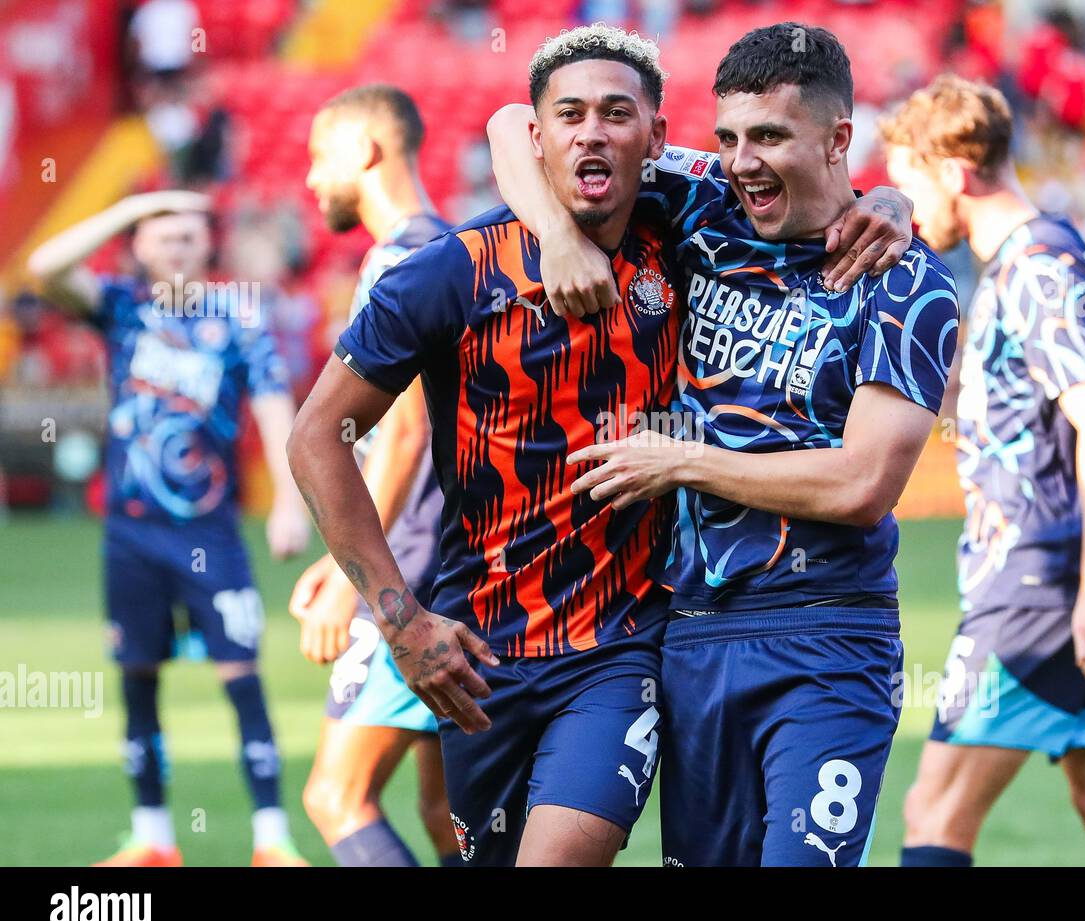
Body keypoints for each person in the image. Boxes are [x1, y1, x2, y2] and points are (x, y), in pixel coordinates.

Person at [488, 22, 958, 866]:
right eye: (731, 138)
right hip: (693, 633)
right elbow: (504, 127)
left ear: (838, 138)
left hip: (828, 636)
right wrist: (558, 237)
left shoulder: (905, 282)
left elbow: (860, 486)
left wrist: (682, 462)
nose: (742, 162)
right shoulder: (705, 203)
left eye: (770, 137)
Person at [287, 25, 681, 867]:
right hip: (480, 655)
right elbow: (320, 434)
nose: (593, 131)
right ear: (536, 138)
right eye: (569, 113)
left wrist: (888, 203)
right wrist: (400, 623)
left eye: (618, 113)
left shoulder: (688, 240)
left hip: (618, 647)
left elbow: (793, 186)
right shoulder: (447, 273)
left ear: (656, 134)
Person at [878, 74, 1085, 867]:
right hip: (1061, 582)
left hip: (1041, 585)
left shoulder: (1037, 267)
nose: (907, 207)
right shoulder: (1031, 258)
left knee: (933, 808)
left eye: (910, 180)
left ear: (953, 171)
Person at [27, 190, 311, 867]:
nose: (176, 247)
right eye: (161, 235)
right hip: (130, 532)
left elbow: (274, 406)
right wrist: (135, 207)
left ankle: (272, 840)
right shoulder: (121, 307)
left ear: (206, 247)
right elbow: (43, 265)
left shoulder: (237, 317)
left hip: (208, 531)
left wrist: (290, 501)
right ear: (139, 245)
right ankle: (154, 838)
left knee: (241, 675)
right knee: (137, 678)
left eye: (188, 236)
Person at [293, 84, 461, 867]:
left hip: (410, 567)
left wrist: (341, 571)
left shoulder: (399, 261)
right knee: (448, 814)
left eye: (318, 157)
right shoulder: (448, 250)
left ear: (364, 151)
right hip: (455, 562)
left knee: (336, 796)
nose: (309, 179)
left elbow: (400, 438)